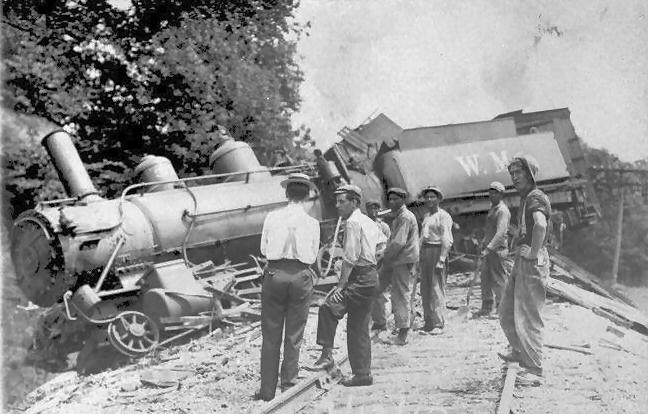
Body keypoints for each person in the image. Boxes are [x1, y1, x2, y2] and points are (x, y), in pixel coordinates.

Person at [309, 185, 386, 386]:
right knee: (359, 327)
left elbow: (350, 258)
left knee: (328, 308)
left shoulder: (352, 223)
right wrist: (371, 264)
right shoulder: (368, 221)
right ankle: (362, 374)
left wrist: (340, 285)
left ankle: (327, 356)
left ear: (354, 202)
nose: (337, 205)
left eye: (342, 201)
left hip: (359, 279)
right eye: (336, 201)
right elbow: (382, 245)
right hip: (370, 276)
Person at [256, 173, 320, 401]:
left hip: (275, 275)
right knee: (294, 334)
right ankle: (289, 386)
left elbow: (264, 249)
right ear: (307, 195)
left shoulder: (272, 217)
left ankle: (267, 391)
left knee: (271, 334)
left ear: (286, 193)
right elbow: (313, 254)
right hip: (301, 276)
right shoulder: (312, 223)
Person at [498, 156, 552, 387]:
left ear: (530, 174)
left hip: (533, 260)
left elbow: (540, 224)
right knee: (506, 310)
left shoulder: (535, 197)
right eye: (512, 173)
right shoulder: (526, 198)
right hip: (525, 258)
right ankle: (520, 350)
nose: (515, 177)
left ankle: (533, 368)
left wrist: (533, 252)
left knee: (529, 315)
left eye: (519, 172)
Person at [371, 187, 419, 345]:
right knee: (376, 287)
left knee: (400, 294)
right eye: (390, 199)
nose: (391, 202)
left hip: (402, 260)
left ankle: (403, 333)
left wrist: (384, 255)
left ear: (403, 200)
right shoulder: (399, 217)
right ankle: (379, 323)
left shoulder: (405, 217)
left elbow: (398, 243)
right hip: (395, 259)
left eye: (395, 199)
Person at [418, 186, 453, 335]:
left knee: (436, 288)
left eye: (432, 197)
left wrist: (441, 259)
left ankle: (438, 323)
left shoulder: (443, 216)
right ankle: (428, 321)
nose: (429, 199)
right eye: (427, 197)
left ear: (438, 199)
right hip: (426, 253)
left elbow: (447, 239)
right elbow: (422, 237)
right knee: (425, 288)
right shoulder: (427, 216)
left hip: (437, 251)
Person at [475, 181, 513, 318]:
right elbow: (489, 229)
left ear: (501, 194)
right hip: (489, 248)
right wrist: (483, 243)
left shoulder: (502, 210)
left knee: (499, 279)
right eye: (490, 193)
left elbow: (500, 233)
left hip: (498, 250)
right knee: (485, 277)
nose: (492, 195)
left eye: (495, 193)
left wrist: (489, 248)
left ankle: (503, 308)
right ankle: (487, 307)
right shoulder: (493, 208)